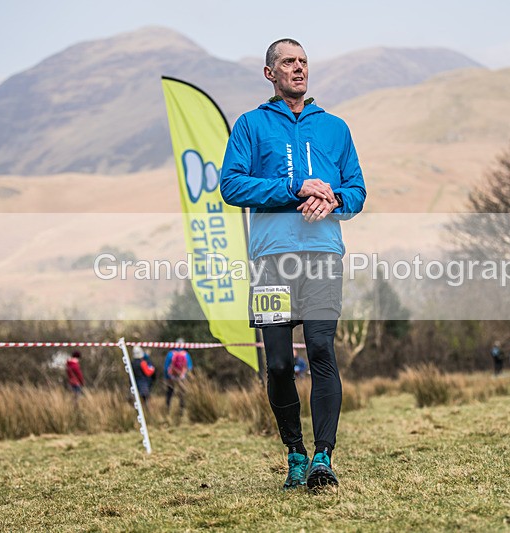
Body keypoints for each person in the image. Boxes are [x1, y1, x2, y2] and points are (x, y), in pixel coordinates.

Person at [221, 38, 366, 491]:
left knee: (322, 350)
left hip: (323, 255)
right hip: (271, 260)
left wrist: (335, 199)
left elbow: (358, 191)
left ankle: (324, 456)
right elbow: (232, 186)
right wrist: (296, 188)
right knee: (280, 365)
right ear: (270, 73)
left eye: (303, 61)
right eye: (288, 62)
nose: (299, 68)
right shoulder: (250, 125)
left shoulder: (336, 128)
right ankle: (296, 454)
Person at [164, 339, 192, 411]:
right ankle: (181, 410)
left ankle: (167, 408)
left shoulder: (170, 354)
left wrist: (167, 377)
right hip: (182, 377)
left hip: (171, 377)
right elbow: (189, 367)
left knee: (170, 392)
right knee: (182, 393)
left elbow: (166, 367)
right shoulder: (186, 354)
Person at [131, 345, 156, 410]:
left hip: (135, 382)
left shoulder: (132, 363)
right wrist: (152, 369)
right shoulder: (143, 363)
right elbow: (148, 372)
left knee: (137, 398)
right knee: (145, 399)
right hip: (143, 382)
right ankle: (146, 411)